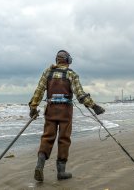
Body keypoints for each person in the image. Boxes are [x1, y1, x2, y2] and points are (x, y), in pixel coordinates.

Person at [29, 50, 105, 182]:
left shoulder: (47, 72)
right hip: (65, 112)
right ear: (68, 60)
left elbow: (39, 91)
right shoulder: (71, 74)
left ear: (57, 60)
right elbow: (80, 95)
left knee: (47, 137)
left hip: (51, 110)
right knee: (64, 139)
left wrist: (33, 107)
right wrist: (94, 106)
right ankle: (61, 172)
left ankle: (39, 166)